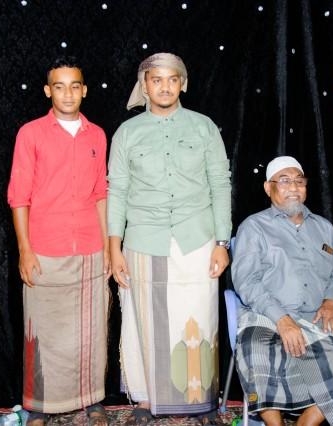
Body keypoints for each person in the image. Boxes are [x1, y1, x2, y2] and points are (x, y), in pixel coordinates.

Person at [107, 52, 231, 425]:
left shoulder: (204, 127)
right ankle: (147, 399)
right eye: (157, 79)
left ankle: (199, 400)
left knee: (197, 317)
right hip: (144, 239)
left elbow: (220, 184)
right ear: (144, 85)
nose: (165, 87)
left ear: (183, 84)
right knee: (144, 320)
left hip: (197, 239)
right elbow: (117, 192)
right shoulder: (127, 133)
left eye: (172, 79)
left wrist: (222, 243)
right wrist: (114, 247)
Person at [7, 57, 110, 426]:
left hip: (90, 248)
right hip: (44, 249)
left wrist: (107, 247)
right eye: (60, 86)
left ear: (84, 90)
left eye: (75, 86)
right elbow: (18, 197)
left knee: (91, 332)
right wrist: (25, 250)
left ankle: (92, 400)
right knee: (43, 332)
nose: (68, 94)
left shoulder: (97, 135)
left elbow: (100, 194)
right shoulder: (30, 133)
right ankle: (38, 405)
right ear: (48, 91)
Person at [232, 156, 333, 426]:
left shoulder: (323, 227)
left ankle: (307, 421)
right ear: (268, 188)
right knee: (256, 348)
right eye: (284, 181)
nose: (293, 187)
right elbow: (246, 281)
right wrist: (282, 319)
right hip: (267, 313)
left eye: (299, 181)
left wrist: (332, 301)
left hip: (318, 314)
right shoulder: (254, 227)